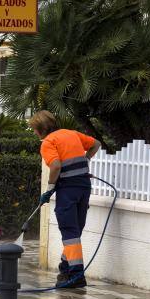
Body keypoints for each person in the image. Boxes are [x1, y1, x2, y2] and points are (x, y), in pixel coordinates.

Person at [29, 111, 101, 289]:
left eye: (34, 130)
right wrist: (84, 160)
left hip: (68, 190)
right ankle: (65, 269)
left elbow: (55, 166)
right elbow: (96, 144)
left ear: (40, 130)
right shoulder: (71, 133)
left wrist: (50, 189)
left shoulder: (48, 142)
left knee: (70, 232)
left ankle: (76, 276)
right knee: (74, 232)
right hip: (84, 187)